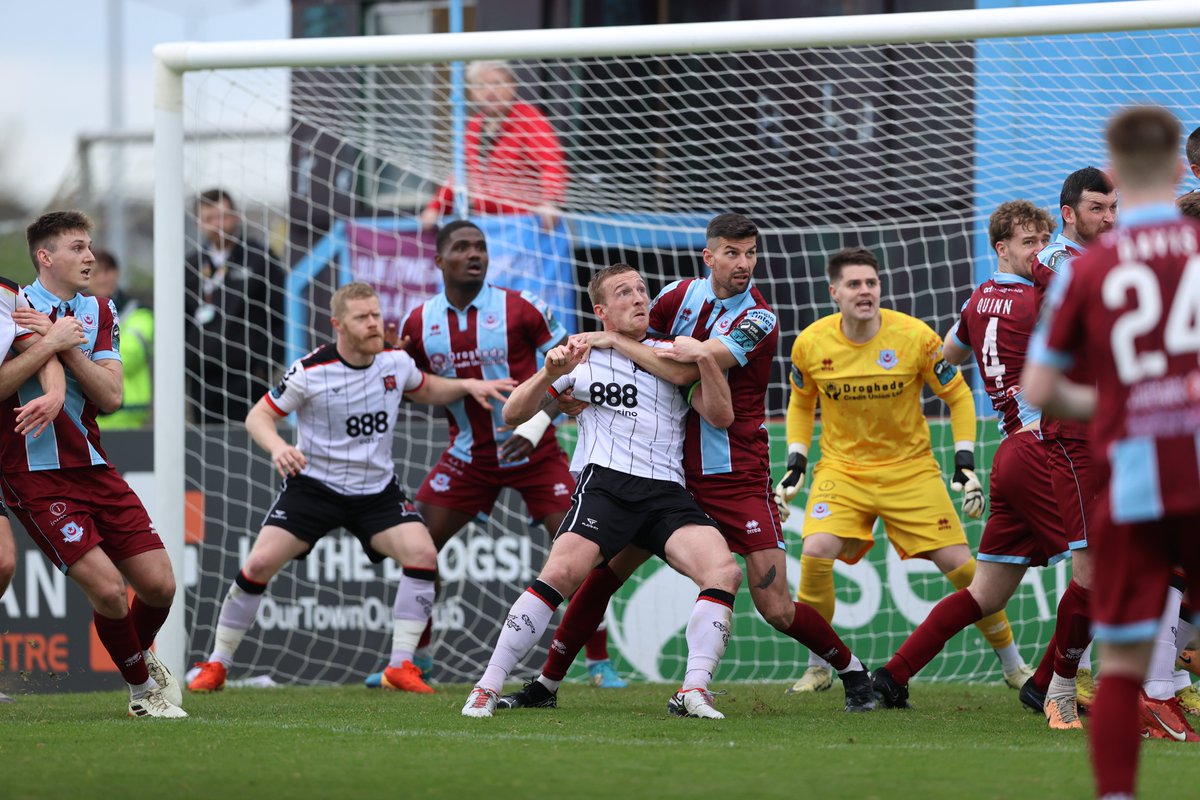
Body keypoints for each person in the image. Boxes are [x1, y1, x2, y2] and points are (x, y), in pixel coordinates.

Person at [497, 214, 876, 715]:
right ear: (709, 256)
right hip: (667, 470)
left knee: (775, 605)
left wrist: (609, 341)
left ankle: (853, 672)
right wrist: (559, 402)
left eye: (751, 254)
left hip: (734, 472)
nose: (744, 264)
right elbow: (635, 349)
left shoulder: (759, 317)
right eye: (733, 253)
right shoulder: (677, 295)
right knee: (601, 576)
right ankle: (544, 686)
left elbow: (680, 367)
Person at [187, 283, 514, 694]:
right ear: (338, 325)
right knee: (257, 565)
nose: (374, 323)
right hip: (314, 488)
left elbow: (427, 388)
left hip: (375, 492)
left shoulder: (395, 362)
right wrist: (279, 447)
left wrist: (466, 386)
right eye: (363, 317)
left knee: (423, 554)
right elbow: (258, 418)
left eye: (376, 314)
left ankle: (401, 666)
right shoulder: (309, 370)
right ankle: (217, 664)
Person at [462, 264, 744, 719]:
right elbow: (513, 413)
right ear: (601, 310)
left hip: (666, 493)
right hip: (607, 487)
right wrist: (548, 373)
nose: (638, 298)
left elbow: (721, 416)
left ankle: (693, 689)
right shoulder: (580, 355)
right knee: (561, 573)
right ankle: (488, 685)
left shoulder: (673, 354)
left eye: (641, 290)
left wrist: (705, 360)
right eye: (623, 293)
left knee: (724, 572)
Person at [1023, 105, 1200, 797]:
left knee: (1122, 659)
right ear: (1183, 167)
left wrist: (1122, 403)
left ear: (1119, 173)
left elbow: (1040, 384)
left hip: (1135, 473)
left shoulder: (1089, 267)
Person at [368, 220, 623, 688]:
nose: (475, 254)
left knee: (584, 554)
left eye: (481, 247)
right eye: (462, 248)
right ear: (440, 260)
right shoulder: (417, 323)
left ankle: (599, 663)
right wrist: (388, 359)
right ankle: (415, 660)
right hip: (469, 458)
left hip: (538, 452)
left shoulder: (521, 308)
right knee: (419, 548)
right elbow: (412, 386)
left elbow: (575, 367)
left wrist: (538, 423)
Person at [870, 201, 1093, 729]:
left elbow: (947, 353)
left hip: (1011, 454)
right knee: (1103, 574)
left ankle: (894, 673)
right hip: (1044, 449)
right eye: (1029, 243)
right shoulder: (1038, 299)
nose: (1041, 253)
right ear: (1002, 248)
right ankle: (1046, 685)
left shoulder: (978, 300)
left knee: (985, 593)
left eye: (1044, 241)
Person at [775, 246, 1031, 693]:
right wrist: (796, 461)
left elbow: (958, 396)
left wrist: (964, 461)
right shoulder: (811, 343)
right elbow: (801, 401)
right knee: (815, 550)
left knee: (964, 568)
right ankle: (818, 665)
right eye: (854, 284)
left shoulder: (915, 336)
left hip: (911, 471)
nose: (865, 291)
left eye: (871, 283)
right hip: (843, 471)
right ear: (833, 291)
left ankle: (1013, 665)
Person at [1, 211, 183, 718]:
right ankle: (143, 692)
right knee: (107, 588)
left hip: (93, 464)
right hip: (32, 473)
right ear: (45, 256)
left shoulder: (99, 309)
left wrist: (66, 342)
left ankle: (138, 658)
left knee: (160, 584)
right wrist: (49, 344)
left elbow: (112, 394)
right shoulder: (11, 306)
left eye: (90, 247)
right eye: (78, 247)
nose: (90, 257)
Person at [1020, 167, 1117, 711]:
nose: (1107, 218)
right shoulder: (1055, 261)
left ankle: (1157, 685)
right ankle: (1057, 687)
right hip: (1073, 433)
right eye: (1096, 208)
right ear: (1068, 214)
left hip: (1121, 428)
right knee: (1092, 569)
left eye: (1112, 208)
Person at [0, 275, 82, 703]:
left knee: (1, 563)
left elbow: (37, 349)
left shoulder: (8, 294)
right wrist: (54, 342)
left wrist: (55, 395)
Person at [420, 60, 566, 232]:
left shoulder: (529, 119)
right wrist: (436, 208)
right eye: (481, 86)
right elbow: (461, 173)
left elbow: (552, 164)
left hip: (524, 225)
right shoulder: (474, 126)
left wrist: (549, 202)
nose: (490, 92)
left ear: (512, 85)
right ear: (472, 93)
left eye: (497, 83)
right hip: (487, 225)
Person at [185, 188, 286, 425]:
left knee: (251, 446)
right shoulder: (191, 265)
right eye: (209, 218)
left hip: (249, 378)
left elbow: (280, 315)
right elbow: (183, 319)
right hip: (204, 379)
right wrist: (189, 362)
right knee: (207, 450)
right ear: (199, 223)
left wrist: (266, 366)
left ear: (236, 216)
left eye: (222, 216)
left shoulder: (260, 258)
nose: (217, 224)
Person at [89, 249, 153, 430]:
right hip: (88, 412)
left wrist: (84, 357)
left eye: (107, 271)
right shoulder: (77, 310)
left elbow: (131, 356)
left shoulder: (139, 311)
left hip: (128, 414)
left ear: (117, 273)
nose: (102, 278)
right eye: (95, 273)